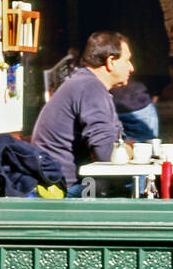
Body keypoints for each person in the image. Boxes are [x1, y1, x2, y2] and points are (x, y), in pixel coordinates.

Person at [72, 0, 168, 141]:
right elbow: (156, 42)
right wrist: (155, 86)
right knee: (141, 165)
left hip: (89, 93)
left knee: (93, 164)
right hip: (134, 96)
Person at [31, 30, 132, 193]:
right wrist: (131, 149)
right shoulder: (90, 88)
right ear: (111, 61)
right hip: (67, 188)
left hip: (62, 182)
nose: (131, 67)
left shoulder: (86, 84)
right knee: (138, 187)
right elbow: (107, 153)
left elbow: (112, 141)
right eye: (127, 60)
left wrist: (124, 146)